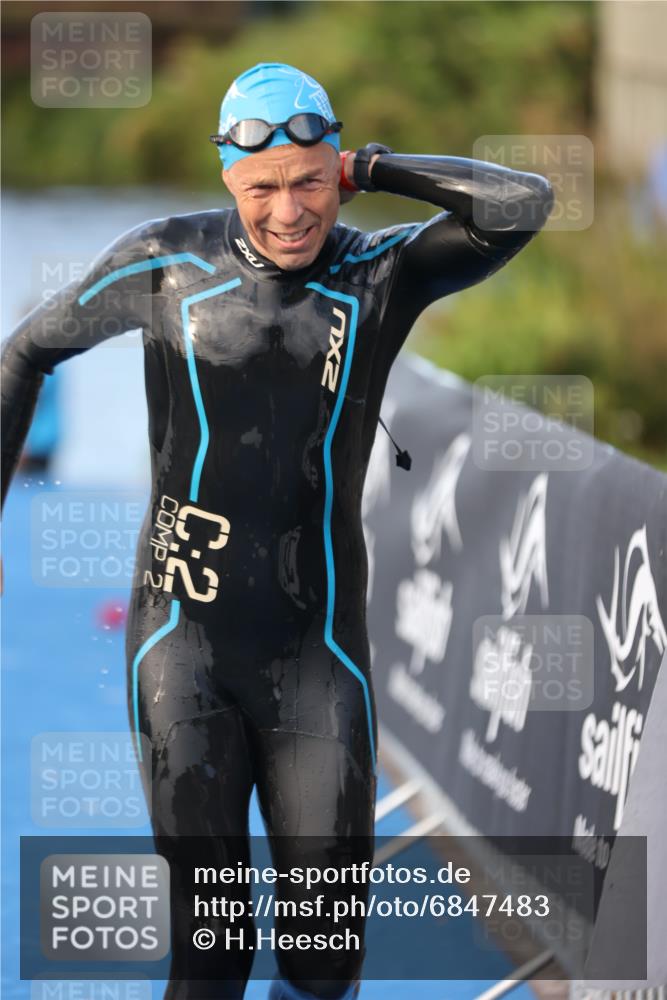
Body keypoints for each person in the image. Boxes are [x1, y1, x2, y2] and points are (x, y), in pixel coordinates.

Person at [0, 62, 554, 1000]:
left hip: (318, 654)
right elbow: (25, 351)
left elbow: (519, 203)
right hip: (183, 647)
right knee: (212, 953)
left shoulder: (379, 274)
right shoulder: (162, 264)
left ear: (335, 169)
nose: (289, 211)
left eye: (310, 182)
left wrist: (377, 167)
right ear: (227, 177)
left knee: (324, 961)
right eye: (262, 187)